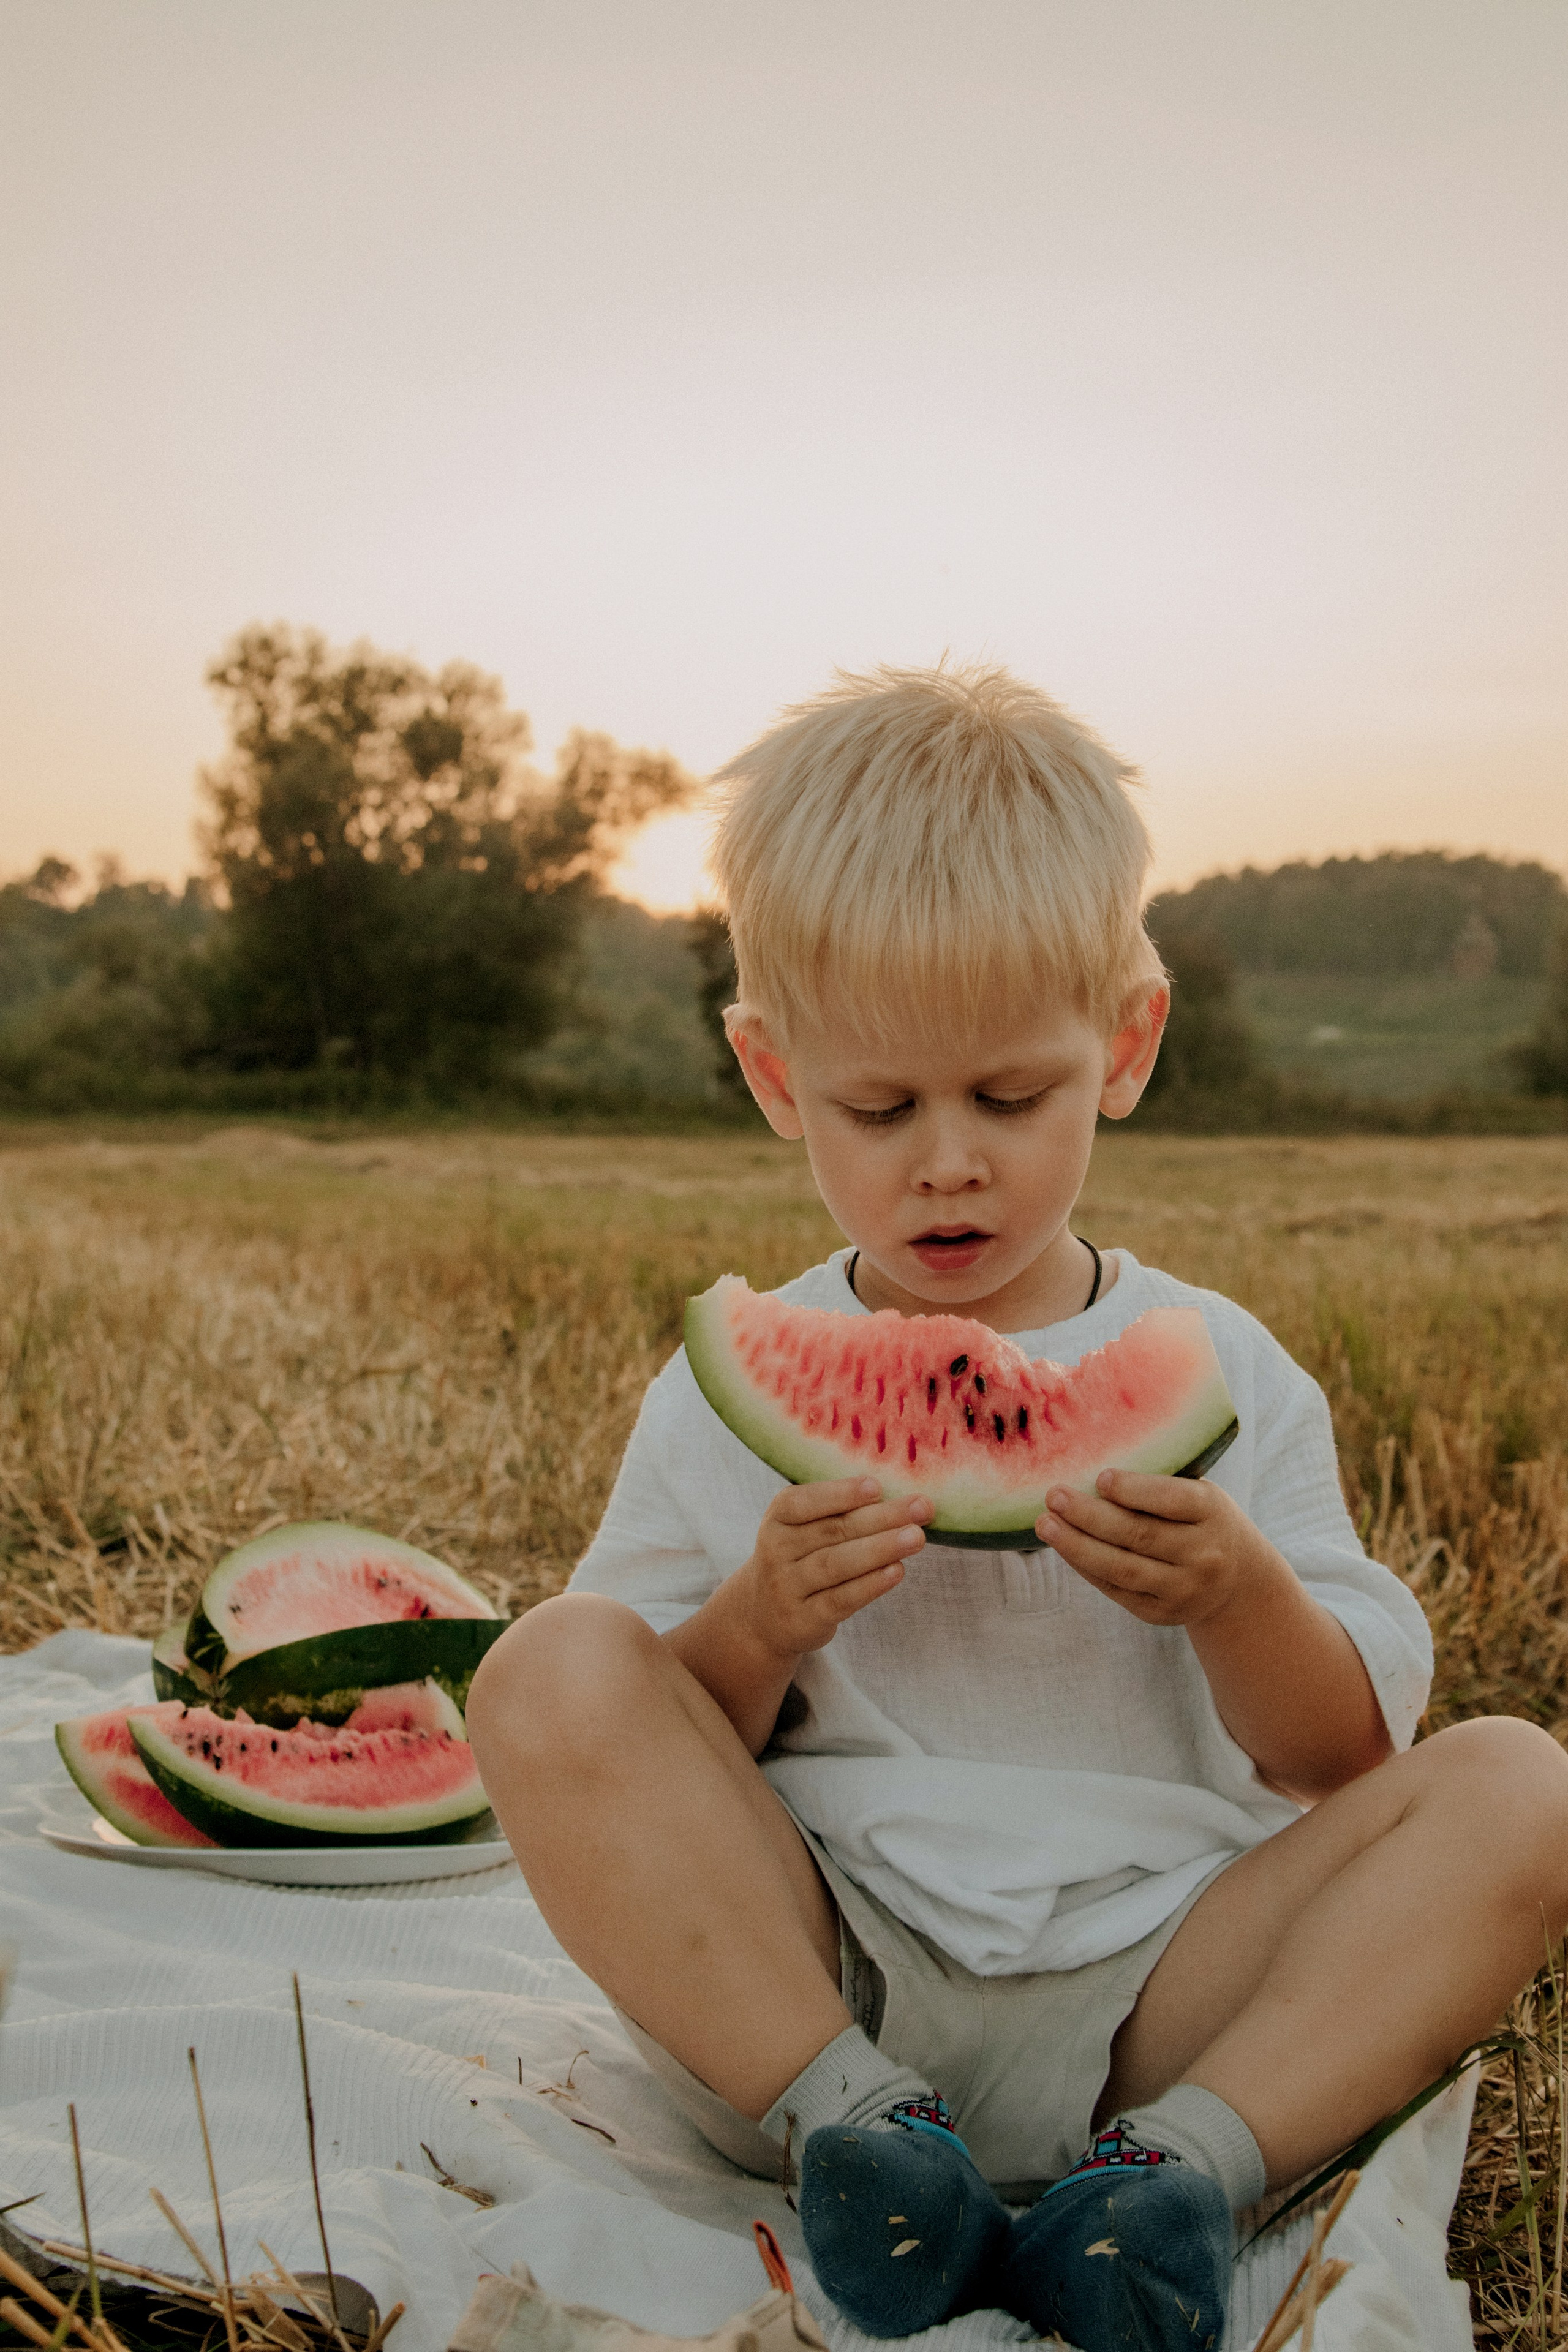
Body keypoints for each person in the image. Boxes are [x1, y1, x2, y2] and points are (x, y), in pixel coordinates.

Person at [467, 664, 1568, 2352]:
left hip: (1173, 1991)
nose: (950, 1164)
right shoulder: (720, 1391)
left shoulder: (1227, 1372)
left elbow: (1345, 1763)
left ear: (1124, 1049)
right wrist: (758, 1625)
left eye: (1009, 1096)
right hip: (820, 1979)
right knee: (548, 1667)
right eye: (880, 1107)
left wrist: (1238, 1600)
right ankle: (865, 2137)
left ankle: (1177, 2179)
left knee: (1520, 1792)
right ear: (773, 1077)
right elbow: (650, 1744)